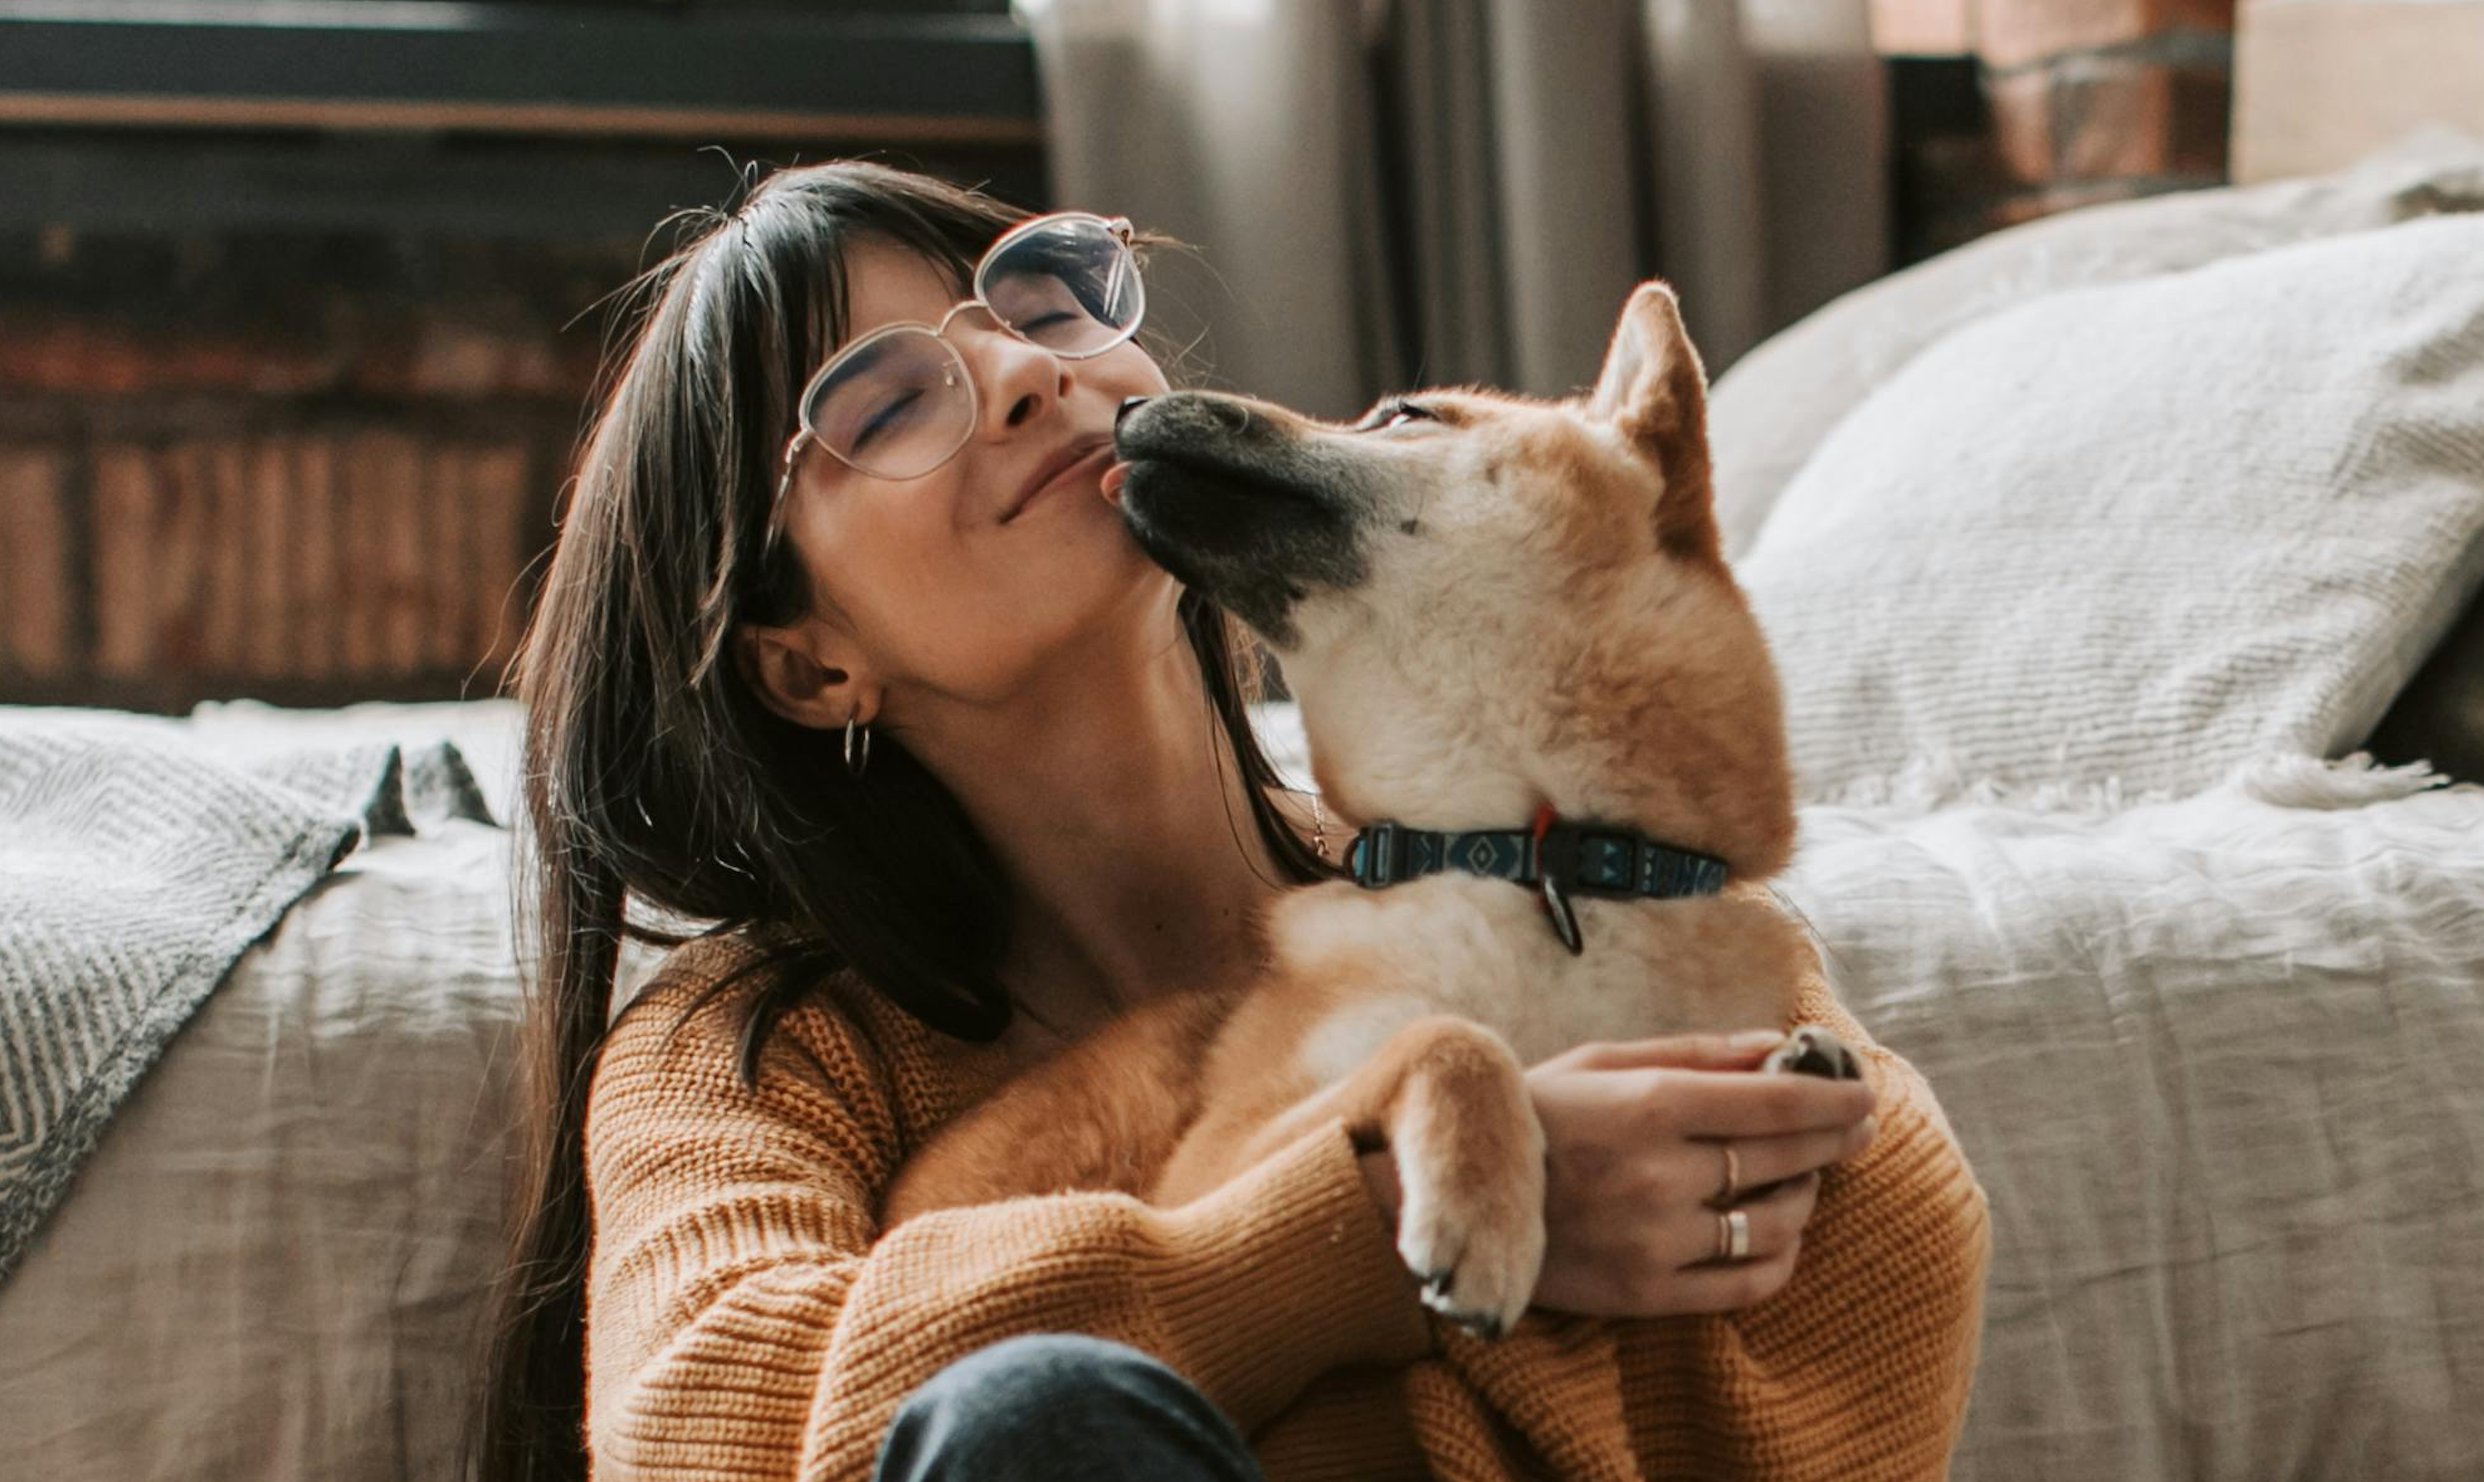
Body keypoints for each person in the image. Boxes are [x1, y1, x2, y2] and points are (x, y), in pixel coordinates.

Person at [465, 159, 1989, 1482]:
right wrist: (1362, 1227)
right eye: (887, 399)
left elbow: (1882, 1281)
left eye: (1043, 301)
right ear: (808, 665)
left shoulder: (1575, 889)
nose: (1024, 372)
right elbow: (716, 1431)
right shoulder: (753, 1054)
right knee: (1035, 1417)